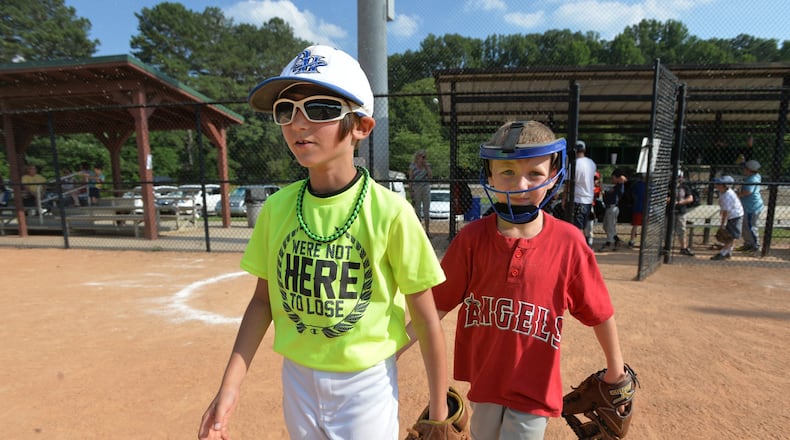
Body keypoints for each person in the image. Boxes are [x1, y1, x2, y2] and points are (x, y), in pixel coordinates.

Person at [198, 45, 449, 440]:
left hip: (365, 384)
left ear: (361, 127)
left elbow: (426, 318)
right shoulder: (278, 208)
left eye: (319, 109)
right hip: (297, 377)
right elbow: (263, 300)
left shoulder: (391, 212)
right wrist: (229, 387)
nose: (298, 124)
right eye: (286, 110)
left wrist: (438, 410)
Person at [402, 120, 628, 440]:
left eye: (534, 173)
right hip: (484, 383)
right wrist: (391, 351)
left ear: (552, 177)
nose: (520, 183)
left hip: (535, 388)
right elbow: (434, 308)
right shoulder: (472, 239)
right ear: (490, 175)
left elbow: (599, 312)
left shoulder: (568, 242)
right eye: (507, 172)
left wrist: (615, 370)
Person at [711, 175, 744, 261]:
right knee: (730, 236)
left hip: (735, 216)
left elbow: (726, 212)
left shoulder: (727, 196)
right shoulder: (723, 193)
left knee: (730, 236)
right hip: (732, 216)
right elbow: (724, 210)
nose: (716, 185)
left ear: (725, 186)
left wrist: (722, 224)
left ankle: (723, 253)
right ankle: (728, 252)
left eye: (719, 184)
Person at [571, 140, 596, 247]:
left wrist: (563, 199)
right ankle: (586, 245)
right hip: (588, 199)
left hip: (577, 199)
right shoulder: (591, 163)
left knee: (577, 227)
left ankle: (581, 247)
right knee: (585, 225)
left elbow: (569, 183)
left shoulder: (574, 164)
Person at [737, 159, 763, 253]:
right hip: (749, 205)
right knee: (746, 226)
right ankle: (748, 243)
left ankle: (755, 245)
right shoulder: (755, 176)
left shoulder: (752, 179)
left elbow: (748, 192)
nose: (743, 170)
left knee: (751, 226)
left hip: (752, 206)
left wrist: (737, 195)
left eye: (745, 168)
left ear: (749, 170)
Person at [598, 168, 627, 252]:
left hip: (613, 208)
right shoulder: (616, 187)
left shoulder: (620, 186)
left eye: (613, 177)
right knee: (606, 226)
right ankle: (616, 239)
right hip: (609, 208)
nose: (612, 179)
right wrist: (604, 191)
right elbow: (607, 196)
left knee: (610, 227)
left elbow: (622, 183)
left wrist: (621, 179)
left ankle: (609, 243)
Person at [409, 149, 432, 235]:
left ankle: (427, 231)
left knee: (426, 210)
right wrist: (411, 191)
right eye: (422, 157)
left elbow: (430, 177)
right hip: (416, 187)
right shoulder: (413, 166)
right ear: (418, 157)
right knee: (417, 209)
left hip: (425, 187)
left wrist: (427, 167)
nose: (423, 159)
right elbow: (410, 178)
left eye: (425, 157)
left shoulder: (427, 165)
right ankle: (418, 231)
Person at [673, 170, 695, 256]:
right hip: (669, 212)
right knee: (666, 230)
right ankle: (665, 247)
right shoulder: (668, 185)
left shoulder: (685, 186)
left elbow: (690, 198)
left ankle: (683, 248)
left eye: (679, 177)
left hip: (680, 211)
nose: (678, 179)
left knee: (681, 230)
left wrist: (680, 202)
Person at [628, 173, 646, 248]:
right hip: (639, 208)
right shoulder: (639, 185)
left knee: (642, 226)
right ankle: (632, 241)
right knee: (636, 225)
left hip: (643, 208)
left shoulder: (647, 185)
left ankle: (640, 241)